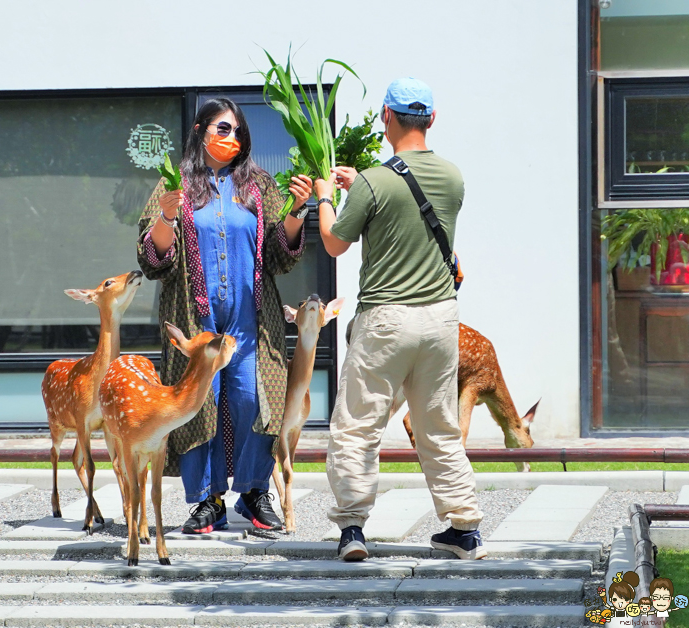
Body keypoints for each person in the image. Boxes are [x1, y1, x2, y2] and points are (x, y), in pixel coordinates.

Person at [313, 77, 484, 561]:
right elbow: (410, 208)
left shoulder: (372, 180)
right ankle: (464, 529)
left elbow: (334, 242)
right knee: (439, 426)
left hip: (385, 321)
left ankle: (352, 529)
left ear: (386, 117)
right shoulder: (453, 177)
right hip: (439, 320)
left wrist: (327, 195)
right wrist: (361, 183)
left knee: (358, 427)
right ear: (431, 120)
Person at [137, 97, 312, 533]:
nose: (231, 138)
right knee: (199, 405)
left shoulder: (259, 185)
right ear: (200, 132)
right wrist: (166, 216)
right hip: (195, 322)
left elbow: (280, 253)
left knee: (255, 400)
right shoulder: (172, 184)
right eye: (222, 129)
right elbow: (152, 258)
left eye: (237, 131)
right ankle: (207, 500)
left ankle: (254, 491)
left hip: (251, 321)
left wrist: (297, 211)